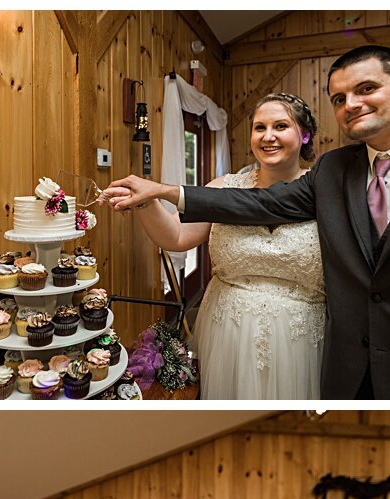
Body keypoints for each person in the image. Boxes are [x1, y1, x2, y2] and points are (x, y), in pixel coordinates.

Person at [101, 45, 390, 399]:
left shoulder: (329, 177)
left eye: (367, 89)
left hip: (318, 339)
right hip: (231, 329)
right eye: (339, 98)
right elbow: (254, 204)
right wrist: (153, 195)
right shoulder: (333, 171)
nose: (351, 104)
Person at [125, 93, 325, 399]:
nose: (268, 136)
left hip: (300, 336)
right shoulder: (223, 187)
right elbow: (176, 237)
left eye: (281, 126)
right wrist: (146, 201)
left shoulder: (326, 191)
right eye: (260, 128)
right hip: (230, 329)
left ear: (305, 134)